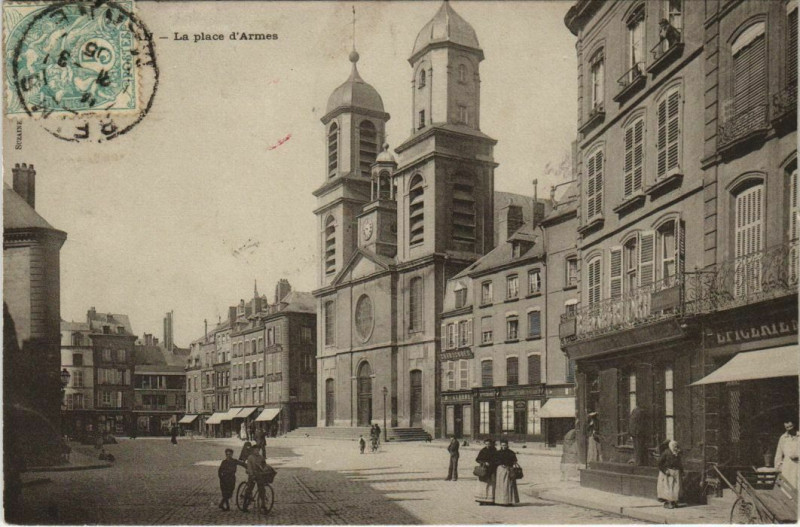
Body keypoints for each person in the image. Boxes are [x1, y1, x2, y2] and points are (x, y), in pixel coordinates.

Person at [243, 444, 270, 512]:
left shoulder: (261, 457)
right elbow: (249, 467)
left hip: (259, 475)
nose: (257, 451)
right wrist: (252, 474)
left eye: (258, 450)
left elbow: (264, 465)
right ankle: (244, 505)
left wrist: (266, 469)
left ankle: (263, 505)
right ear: (253, 450)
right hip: (252, 475)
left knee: (262, 489)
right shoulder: (250, 457)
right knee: (250, 489)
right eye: (255, 450)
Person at [657, 440, 682, 509]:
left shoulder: (677, 453)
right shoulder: (666, 453)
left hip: (676, 472)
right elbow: (659, 463)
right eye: (674, 446)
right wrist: (665, 471)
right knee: (669, 487)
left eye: (676, 446)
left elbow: (680, 463)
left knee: (676, 487)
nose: (675, 448)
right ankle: (669, 502)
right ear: (671, 446)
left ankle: (674, 501)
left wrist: (682, 471)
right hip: (669, 472)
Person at [494, 439, 520, 506]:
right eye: (502, 445)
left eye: (505, 445)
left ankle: (510, 501)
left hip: (509, 469)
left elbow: (515, 460)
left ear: (507, 445)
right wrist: (501, 464)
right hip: (501, 470)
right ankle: (501, 501)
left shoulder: (511, 452)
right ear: (500, 445)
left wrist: (511, 464)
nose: (504, 446)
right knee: (501, 486)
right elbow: (495, 460)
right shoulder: (498, 452)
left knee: (510, 485)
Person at [775, 420, 799, 488]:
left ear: (794, 425)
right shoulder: (783, 438)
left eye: (791, 426)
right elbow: (778, 454)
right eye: (787, 427)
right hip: (788, 466)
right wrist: (777, 467)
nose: (789, 429)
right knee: (787, 486)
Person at [474, 439, 497, 505]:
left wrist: (491, 463)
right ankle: (482, 500)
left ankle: (490, 500)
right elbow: (477, 459)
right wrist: (484, 462)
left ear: (491, 444)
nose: (487, 445)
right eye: (486, 444)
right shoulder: (483, 450)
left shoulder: (494, 450)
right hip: (484, 470)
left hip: (492, 469)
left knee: (491, 485)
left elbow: (496, 459)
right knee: (483, 485)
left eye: (489, 444)